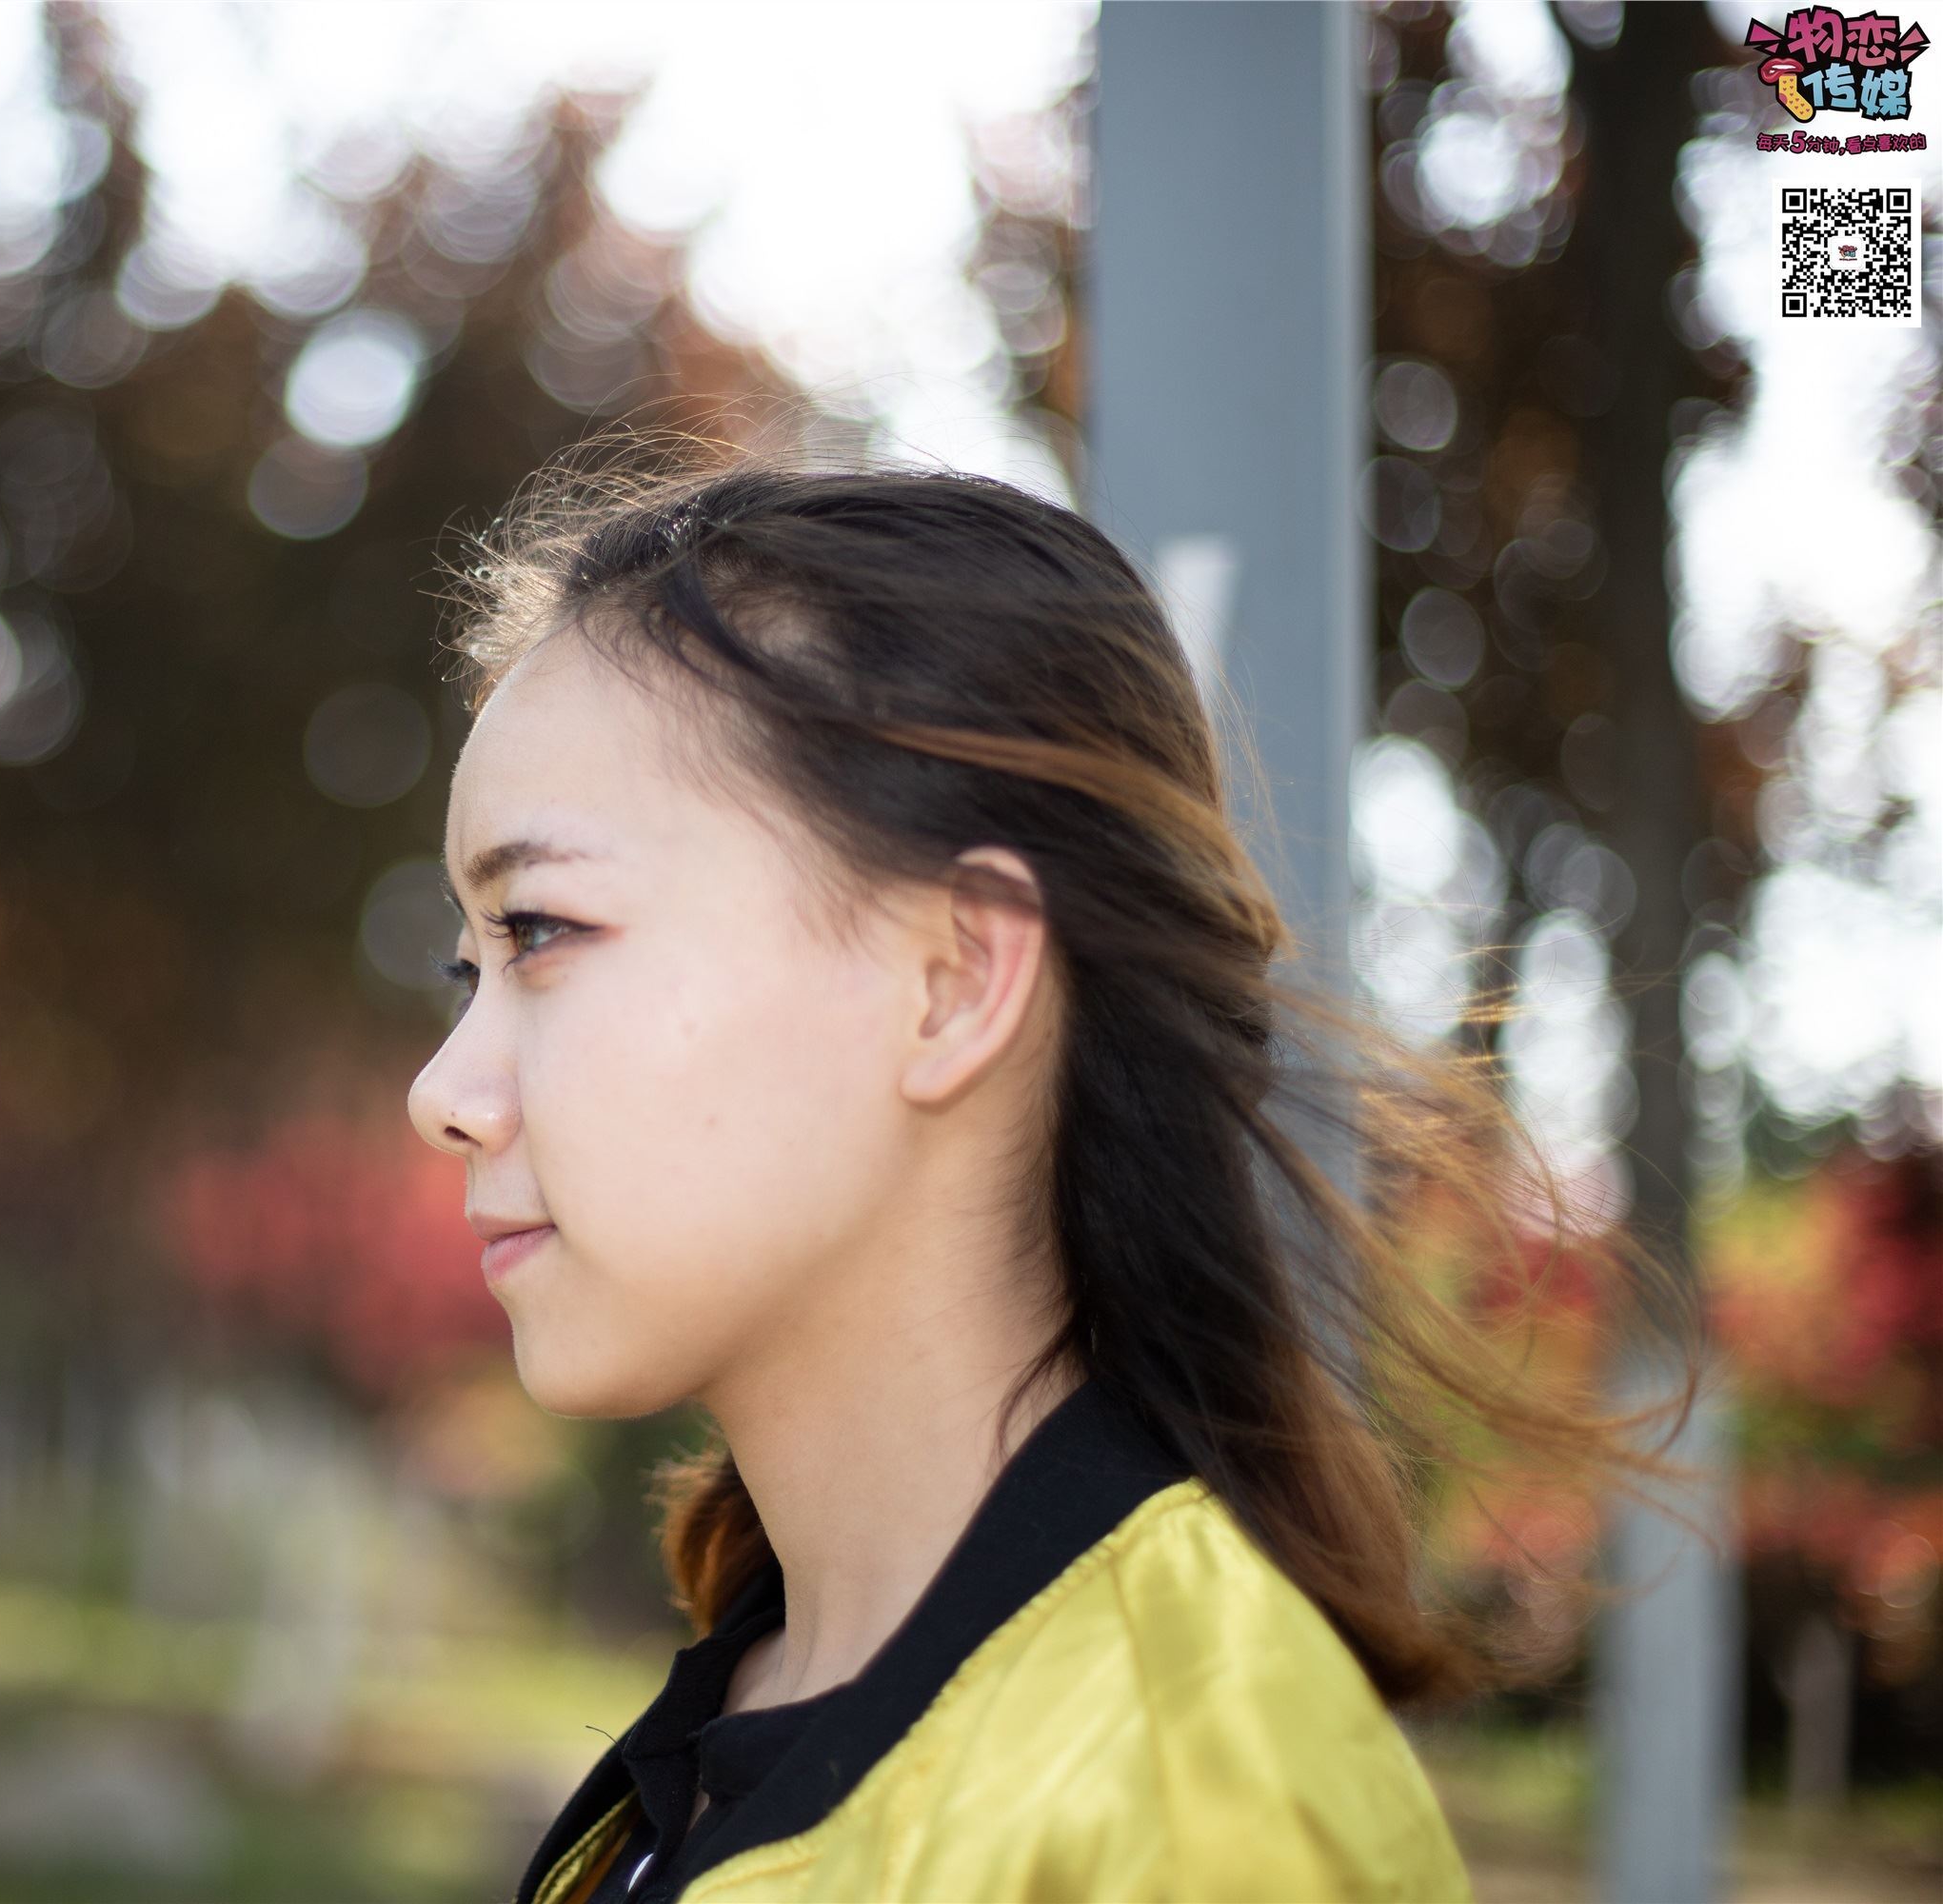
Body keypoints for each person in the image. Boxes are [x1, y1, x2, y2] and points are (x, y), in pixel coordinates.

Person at [404, 441, 1708, 1903]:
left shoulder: (1194, 1806)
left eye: (541, 932)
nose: (442, 1093)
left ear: (957, 979)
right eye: (469, 964)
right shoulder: (747, 1709)